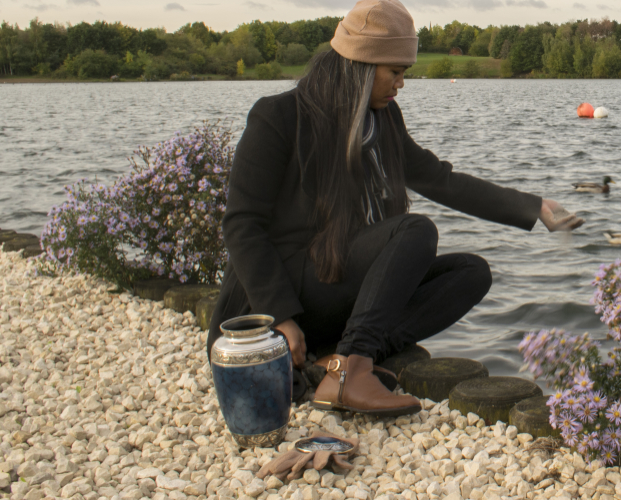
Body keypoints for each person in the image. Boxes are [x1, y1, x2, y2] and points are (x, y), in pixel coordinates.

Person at [206, 0, 584, 418]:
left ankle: (337, 361)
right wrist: (281, 317)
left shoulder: (380, 121)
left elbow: (439, 179)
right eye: (396, 73)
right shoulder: (277, 116)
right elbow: (242, 226)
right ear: (363, 65)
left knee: (471, 273)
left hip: (330, 289)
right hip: (276, 304)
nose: (400, 85)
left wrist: (534, 207)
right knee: (414, 231)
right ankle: (352, 370)